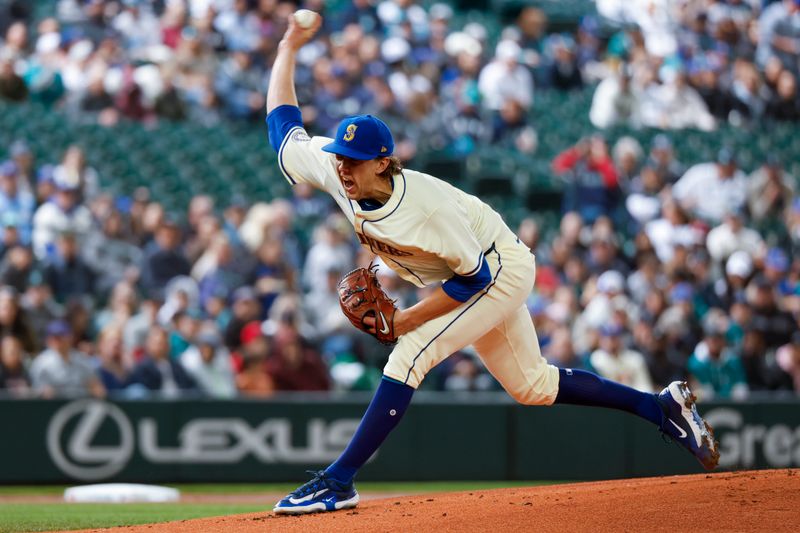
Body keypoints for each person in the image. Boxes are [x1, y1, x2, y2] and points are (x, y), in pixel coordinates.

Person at [266, 14, 719, 516]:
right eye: (341, 157)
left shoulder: (425, 208)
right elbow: (283, 129)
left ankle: (338, 481)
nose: (343, 167)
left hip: (496, 268)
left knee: (411, 353)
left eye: (354, 159)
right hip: (466, 272)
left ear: (383, 161)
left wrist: (406, 320)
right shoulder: (335, 168)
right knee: (533, 386)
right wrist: (288, 48)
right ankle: (659, 408)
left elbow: (475, 279)